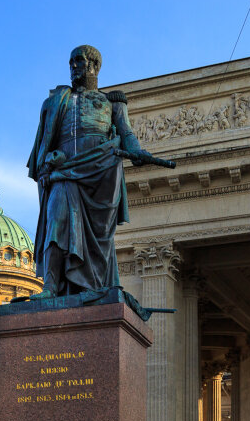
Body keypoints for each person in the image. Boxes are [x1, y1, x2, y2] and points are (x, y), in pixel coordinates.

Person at [27, 45, 165, 298]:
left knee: (99, 237)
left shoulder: (111, 102)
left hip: (100, 173)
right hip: (64, 172)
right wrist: (49, 158)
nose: (74, 68)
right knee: (56, 220)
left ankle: (93, 287)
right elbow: (43, 147)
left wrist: (138, 152)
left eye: (79, 62)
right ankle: (50, 287)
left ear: (95, 66)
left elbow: (126, 134)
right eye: (71, 63)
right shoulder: (58, 100)